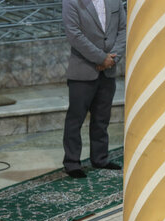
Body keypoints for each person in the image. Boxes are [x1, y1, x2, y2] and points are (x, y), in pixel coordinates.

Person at [62, 0, 126, 178]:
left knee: (102, 118)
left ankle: (100, 158)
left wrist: (111, 59)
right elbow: (74, 35)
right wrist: (100, 58)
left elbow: (123, 31)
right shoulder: (71, 2)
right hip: (83, 71)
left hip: (108, 70)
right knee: (75, 119)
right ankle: (72, 162)